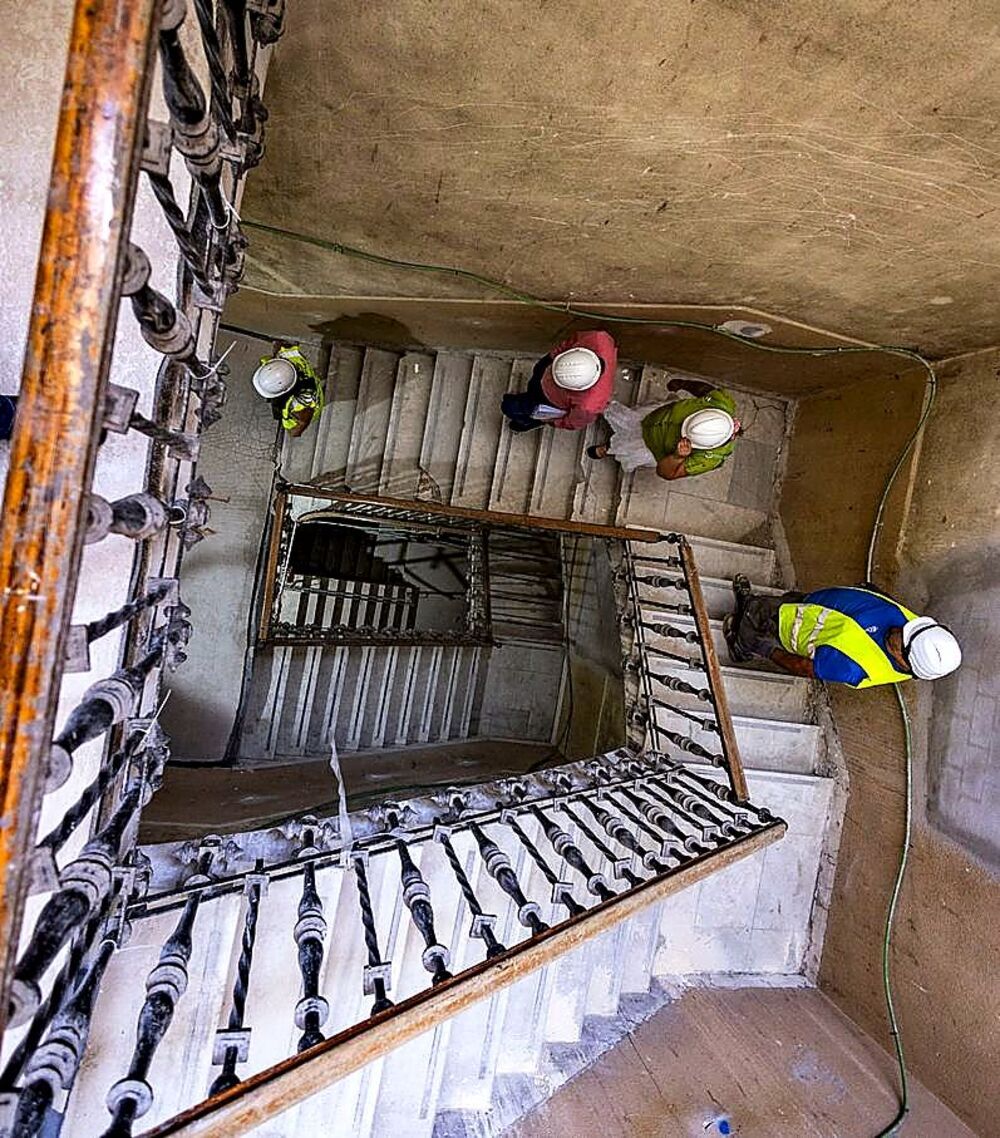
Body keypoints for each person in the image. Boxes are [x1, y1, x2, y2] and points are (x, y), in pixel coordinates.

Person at [723, 575, 962, 687]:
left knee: (759, 614)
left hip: (792, 627)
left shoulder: (857, 667)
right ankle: (753, 609)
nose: (902, 626)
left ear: (904, 658)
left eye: (904, 636)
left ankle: (742, 644)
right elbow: (893, 609)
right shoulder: (917, 631)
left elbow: (805, 668)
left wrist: (767, 650)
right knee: (783, 602)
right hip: (813, 605)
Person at [588, 375, 740, 480]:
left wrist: (677, 457)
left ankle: (609, 448)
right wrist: (683, 384)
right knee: (630, 419)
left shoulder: (709, 459)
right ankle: (599, 409)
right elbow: (704, 390)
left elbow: (666, 473)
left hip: (651, 447)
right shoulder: (721, 404)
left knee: (627, 445)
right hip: (655, 416)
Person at [500, 329, 617, 432]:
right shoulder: (598, 339)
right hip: (547, 369)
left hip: (549, 401)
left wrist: (551, 421)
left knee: (509, 407)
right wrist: (551, 357)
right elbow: (571, 341)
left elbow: (574, 422)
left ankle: (529, 422)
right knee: (530, 389)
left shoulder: (589, 405)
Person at [252, 344, 325, 437]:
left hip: (314, 402)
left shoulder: (300, 405)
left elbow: (302, 424)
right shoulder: (289, 354)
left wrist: (293, 431)